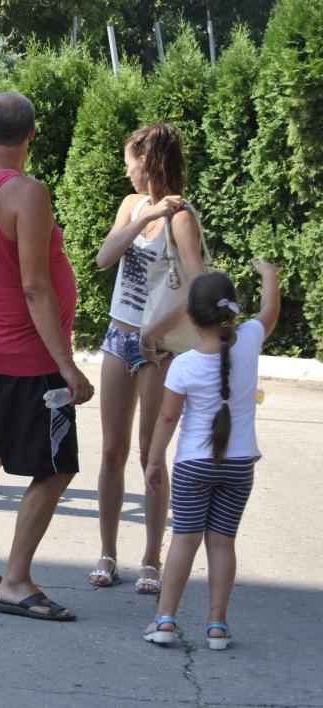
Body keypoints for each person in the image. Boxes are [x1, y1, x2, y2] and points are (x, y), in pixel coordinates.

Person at [0, 92, 93, 620]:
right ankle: (16, 580)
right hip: (26, 360)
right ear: (32, 134)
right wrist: (68, 364)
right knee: (56, 468)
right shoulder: (27, 194)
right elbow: (35, 288)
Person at [89, 124, 208, 596]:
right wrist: (143, 218)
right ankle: (107, 552)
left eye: (130, 161)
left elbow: (199, 288)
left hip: (158, 351)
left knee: (150, 455)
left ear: (150, 162)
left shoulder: (182, 218)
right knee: (111, 450)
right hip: (119, 338)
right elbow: (104, 257)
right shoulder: (132, 206)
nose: (126, 169)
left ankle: (150, 558)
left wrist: (155, 332)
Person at [141, 261, 280, 650]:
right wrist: (270, 275)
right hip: (239, 465)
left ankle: (165, 620)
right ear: (231, 310)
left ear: (190, 316)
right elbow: (269, 312)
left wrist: (154, 461)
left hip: (192, 466)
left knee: (184, 540)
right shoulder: (251, 339)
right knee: (222, 543)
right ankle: (217, 625)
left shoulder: (183, 365)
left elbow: (168, 419)